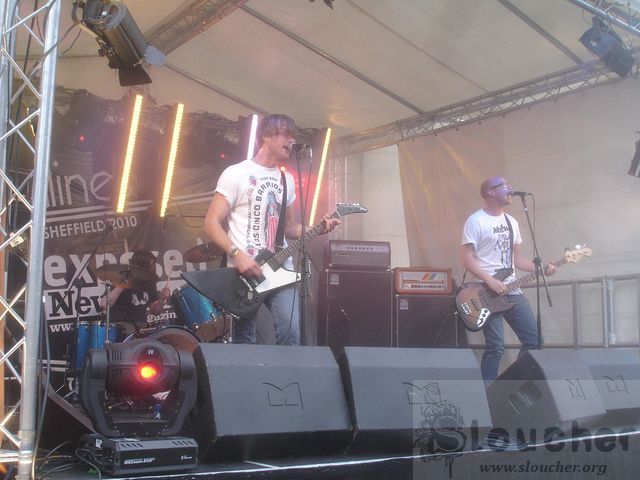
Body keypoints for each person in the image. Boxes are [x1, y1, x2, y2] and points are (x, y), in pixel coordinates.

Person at [204, 114, 340, 345]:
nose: (291, 141)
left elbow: (290, 228)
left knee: (291, 333)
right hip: (245, 273)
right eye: (285, 134)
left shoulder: (287, 180)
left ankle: (288, 371)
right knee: (245, 339)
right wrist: (238, 255)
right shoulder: (236, 173)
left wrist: (319, 228)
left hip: (280, 267)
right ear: (266, 136)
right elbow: (211, 223)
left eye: (293, 136)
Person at [460, 176, 556, 383]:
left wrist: (541, 269)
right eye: (503, 185)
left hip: (512, 289)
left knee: (535, 341)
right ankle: (487, 394)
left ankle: (510, 385)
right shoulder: (476, 221)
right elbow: (466, 258)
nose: (509, 188)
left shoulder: (512, 222)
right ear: (490, 192)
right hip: (486, 290)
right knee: (495, 347)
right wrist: (490, 280)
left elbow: (517, 260)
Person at [99, 249, 170, 335]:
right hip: (120, 326)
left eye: (153, 265)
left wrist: (162, 299)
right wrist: (122, 285)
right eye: (150, 265)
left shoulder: (150, 282)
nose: (153, 268)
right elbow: (104, 305)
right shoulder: (122, 278)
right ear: (141, 266)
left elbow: (155, 311)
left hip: (141, 326)